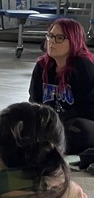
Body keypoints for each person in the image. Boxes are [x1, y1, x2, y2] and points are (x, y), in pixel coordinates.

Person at [28, 17, 94, 154]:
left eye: (59, 38)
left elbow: (89, 108)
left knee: (78, 130)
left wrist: (58, 121)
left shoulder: (83, 66)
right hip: (52, 123)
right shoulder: (42, 67)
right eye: (50, 36)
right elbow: (35, 102)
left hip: (79, 122)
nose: (52, 41)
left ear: (74, 41)